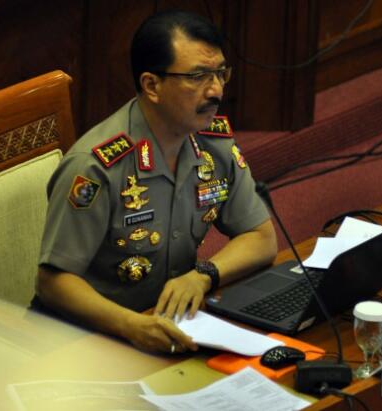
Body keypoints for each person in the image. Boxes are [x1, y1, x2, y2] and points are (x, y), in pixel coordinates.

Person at [33, 10, 277, 354]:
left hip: (168, 328)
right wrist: (131, 326)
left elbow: (262, 238)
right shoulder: (96, 168)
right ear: (152, 86)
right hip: (85, 341)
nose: (216, 91)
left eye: (220, 73)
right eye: (198, 77)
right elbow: (53, 282)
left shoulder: (213, 144)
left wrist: (204, 275)